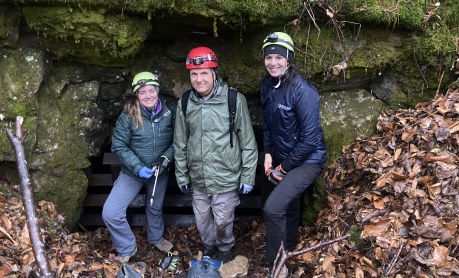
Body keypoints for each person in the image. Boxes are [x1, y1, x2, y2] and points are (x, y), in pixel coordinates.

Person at [174, 46, 258, 264]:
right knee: (202, 220)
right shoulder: (184, 102)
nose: (199, 79)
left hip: (226, 174)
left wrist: (248, 176)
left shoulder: (233, 100)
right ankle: (209, 246)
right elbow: (180, 143)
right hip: (198, 177)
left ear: (214, 73)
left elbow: (247, 141)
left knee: (222, 221)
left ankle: (225, 247)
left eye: (204, 73)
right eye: (194, 74)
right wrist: (182, 176)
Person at [260, 32, 327, 278]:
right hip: (283, 156)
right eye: (269, 57)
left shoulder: (303, 91)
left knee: (273, 207)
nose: (273, 62)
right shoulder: (267, 85)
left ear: (289, 59)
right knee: (287, 205)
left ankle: (278, 263)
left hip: (308, 160)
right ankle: (287, 245)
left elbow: (310, 140)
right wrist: (268, 154)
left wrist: (283, 168)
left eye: (279, 57)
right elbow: (268, 124)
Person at [102, 71, 176, 264]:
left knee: (154, 207)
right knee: (110, 212)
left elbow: (180, 140)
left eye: (151, 90)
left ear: (158, 90)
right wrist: (137, 167)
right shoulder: (128, 115)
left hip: (160, 172)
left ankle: (156, 238)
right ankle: (127, 247)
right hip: (133, 173)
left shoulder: (170, 112)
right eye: (142, 92)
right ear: (136, 94)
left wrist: (165, 158)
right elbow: (118, 145)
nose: (148, 96)